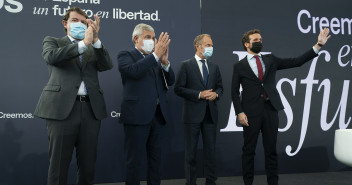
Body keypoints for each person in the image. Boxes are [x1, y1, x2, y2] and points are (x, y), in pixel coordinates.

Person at [231, 28, 331, 185]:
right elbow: (234, 92)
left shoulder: (270, 59)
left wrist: (318, 45)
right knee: (248, 151)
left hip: (270, 109)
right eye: (256, 40)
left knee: (271, 151)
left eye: (261, 40)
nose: (259, 42)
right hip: (250, 113)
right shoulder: (239, 66)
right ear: (246, 44)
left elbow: (296, 62)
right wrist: (239, 112)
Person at [34, 7, 113, 185]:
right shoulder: (52, 41)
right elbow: (51, 57)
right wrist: (83, 44)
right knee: (58, 166)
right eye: (75, 20)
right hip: (61, 111)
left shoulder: (94, 47)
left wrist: (96, 40)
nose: (80, 24)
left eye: (84, 22)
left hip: (91, 111)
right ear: (65, 23)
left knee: (88, 166)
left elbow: (107, 65)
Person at [117, 23, 175, 185]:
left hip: (158, 116)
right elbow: (132, 71)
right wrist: (156, 56)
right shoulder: (125, 55)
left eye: (153, 38)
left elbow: (171, 81)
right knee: (134, 161)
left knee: (156, 161)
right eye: (148, 37)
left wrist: (164, 62)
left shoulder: (156, 59)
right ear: (136, 39)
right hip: (136, 116)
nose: (152, 41)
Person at [174, 34, 223, 185]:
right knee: (191, 154)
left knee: (210, 152)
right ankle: (191, 182)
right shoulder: (186, 65)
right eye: (208, 45)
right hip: (192, 116)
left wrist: (216, 94)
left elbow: (220, 87)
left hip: (210, 114)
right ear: (198, 46)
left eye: (212, 45)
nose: (211, 48)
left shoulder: (214, 67)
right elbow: (178, 89)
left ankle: (211, 181)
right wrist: (199, 94)